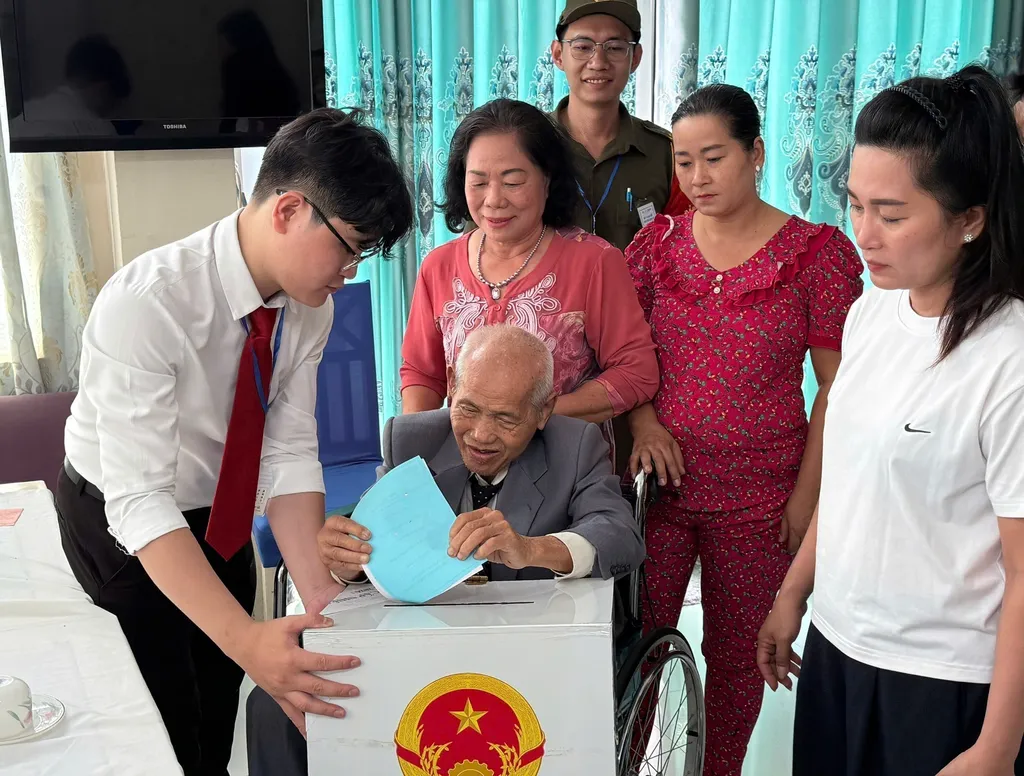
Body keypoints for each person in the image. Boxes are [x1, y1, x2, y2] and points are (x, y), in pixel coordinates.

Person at [55, 108, 414, 776]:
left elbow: (287, 449)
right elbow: (139, 500)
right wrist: (247, 640)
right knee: (164, 724)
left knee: (219, 706)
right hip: (120, 520)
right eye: (349, 247)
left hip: (217, 514)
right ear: (289, 210)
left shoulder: (309, 307)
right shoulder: (149, 303)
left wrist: (317, 592)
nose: (350, 271)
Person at [757, 65, 1024, 776]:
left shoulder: (1008, 357)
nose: (865, 234)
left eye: (893, 215)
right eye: (855, 204)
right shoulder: (872, 310)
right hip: (839, 650)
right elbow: (851, 480)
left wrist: (996, 748)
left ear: (970, 219)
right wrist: (793, 594)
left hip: (942, 682)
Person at [246, 324, 645, 776]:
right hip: (421, 643)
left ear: (543, 411)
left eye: (505, 419)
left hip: (530, 653)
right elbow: (375, 541)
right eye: (468, 409)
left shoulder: (574, 445)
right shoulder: (409, 440)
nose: (480, 435)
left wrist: (532, 549)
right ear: (452, 383)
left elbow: (619, 534)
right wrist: (346, 562)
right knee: (273, 703)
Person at [624, 84, 864, 776]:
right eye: (684, 162)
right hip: (659, 494)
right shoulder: (655, 248)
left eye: (715, 158)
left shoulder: (816, 255)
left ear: (756, 153)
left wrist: (805, 500)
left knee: (740, 660)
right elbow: (625, 357)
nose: (698, 178)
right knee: (637, 650)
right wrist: (643, 421)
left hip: (762, 500)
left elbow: (836, 388)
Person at [399, 98, 659, 465]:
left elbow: (637, 372)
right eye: (478, 182)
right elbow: (422, 375)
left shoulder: (594, 262)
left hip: (565, 472)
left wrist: (536, 419)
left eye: (513, 182)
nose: (494, 200)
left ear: (547, 180)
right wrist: (416, 461)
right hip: (464, 470)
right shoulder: (438, 266)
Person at [551, 0, 690, 253]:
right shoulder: (527, 143)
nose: (598, 62)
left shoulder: (667, 155)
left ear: (635, 58)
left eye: (615, 47)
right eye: (583, 47)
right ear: (558, 54)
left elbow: (684, 250)